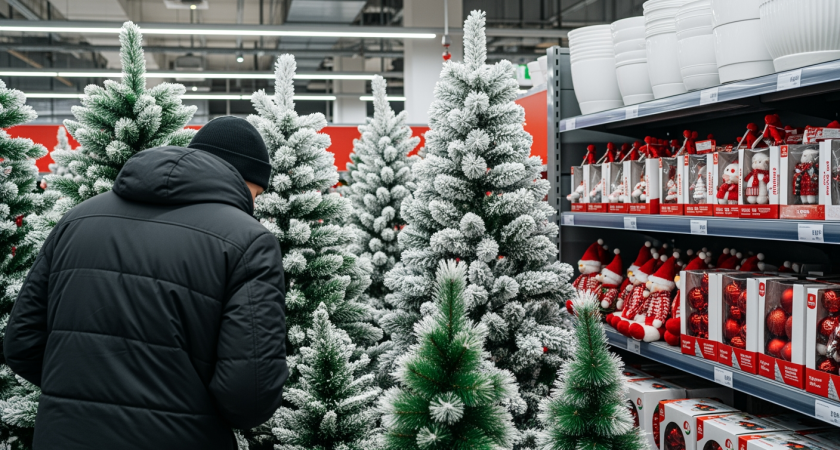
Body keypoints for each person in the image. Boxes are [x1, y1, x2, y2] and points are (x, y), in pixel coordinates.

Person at [4, 116, 288, 450]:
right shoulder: (247, 240)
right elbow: (249, 395)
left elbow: (22, 343)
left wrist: (82, 392)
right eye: (256, 193)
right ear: (242, 180)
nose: (253, 205)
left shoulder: (78, 219)